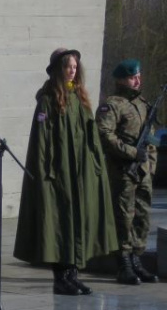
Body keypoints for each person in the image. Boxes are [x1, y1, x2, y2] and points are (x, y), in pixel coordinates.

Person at [13, 48, 117, 295]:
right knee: (60, 224)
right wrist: (43, 173)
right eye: (67, 66)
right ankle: (60, 278)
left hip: (80, 173)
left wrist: (96, 167)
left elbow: (90, 136)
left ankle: (73, 275)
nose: (72, 70)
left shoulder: (79, 98)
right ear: (58, 69)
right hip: (58, 173)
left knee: (77, 222)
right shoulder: (48, 99)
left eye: (74, 66)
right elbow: (41, 140)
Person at [96, 58, 160, 285]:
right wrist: (132, 153)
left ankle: (136, 260)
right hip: (123, 170)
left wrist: (150, 165)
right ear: (122, 79)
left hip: (143, 172)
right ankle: (123, 264)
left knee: (142, 217)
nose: (138, 79)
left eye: (139, 75)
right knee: (124, 217)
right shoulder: (112, 104)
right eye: (133, 76)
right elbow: (104, 135)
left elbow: (151, 139)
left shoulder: (143, 104)